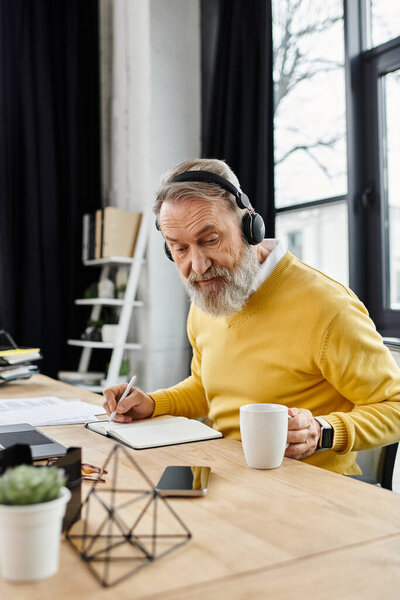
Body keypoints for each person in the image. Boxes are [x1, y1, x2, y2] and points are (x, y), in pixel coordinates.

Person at [103, 158, 400, 475]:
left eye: (210, 239)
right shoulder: (208, 297)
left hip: (310, 492)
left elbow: (395, 405)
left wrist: (323, 430)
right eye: (179, 249)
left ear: (250, 225)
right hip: (225, 473)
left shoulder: (328, 306)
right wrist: (152, 403)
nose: (198, 265)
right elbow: (207, 387)